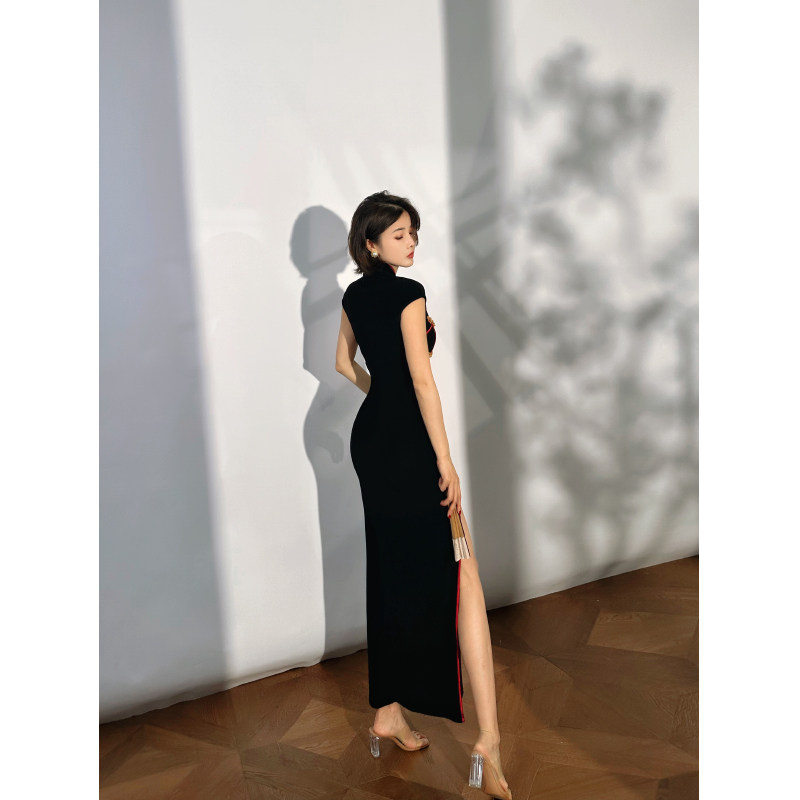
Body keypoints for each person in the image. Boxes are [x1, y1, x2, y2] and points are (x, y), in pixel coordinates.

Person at [335, 191, 512, 799]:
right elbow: (422, 380)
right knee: (463, 573)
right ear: (370, 243)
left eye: (413, 232)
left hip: (372, 443)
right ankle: (488, 739)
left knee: (390, 570)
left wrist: (381, 399)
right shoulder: (409, 293)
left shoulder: (353, 296)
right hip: (411, 450)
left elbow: (342, 364)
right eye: (399, 235)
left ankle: (388, 711)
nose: (411, 243)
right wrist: (446, 461)